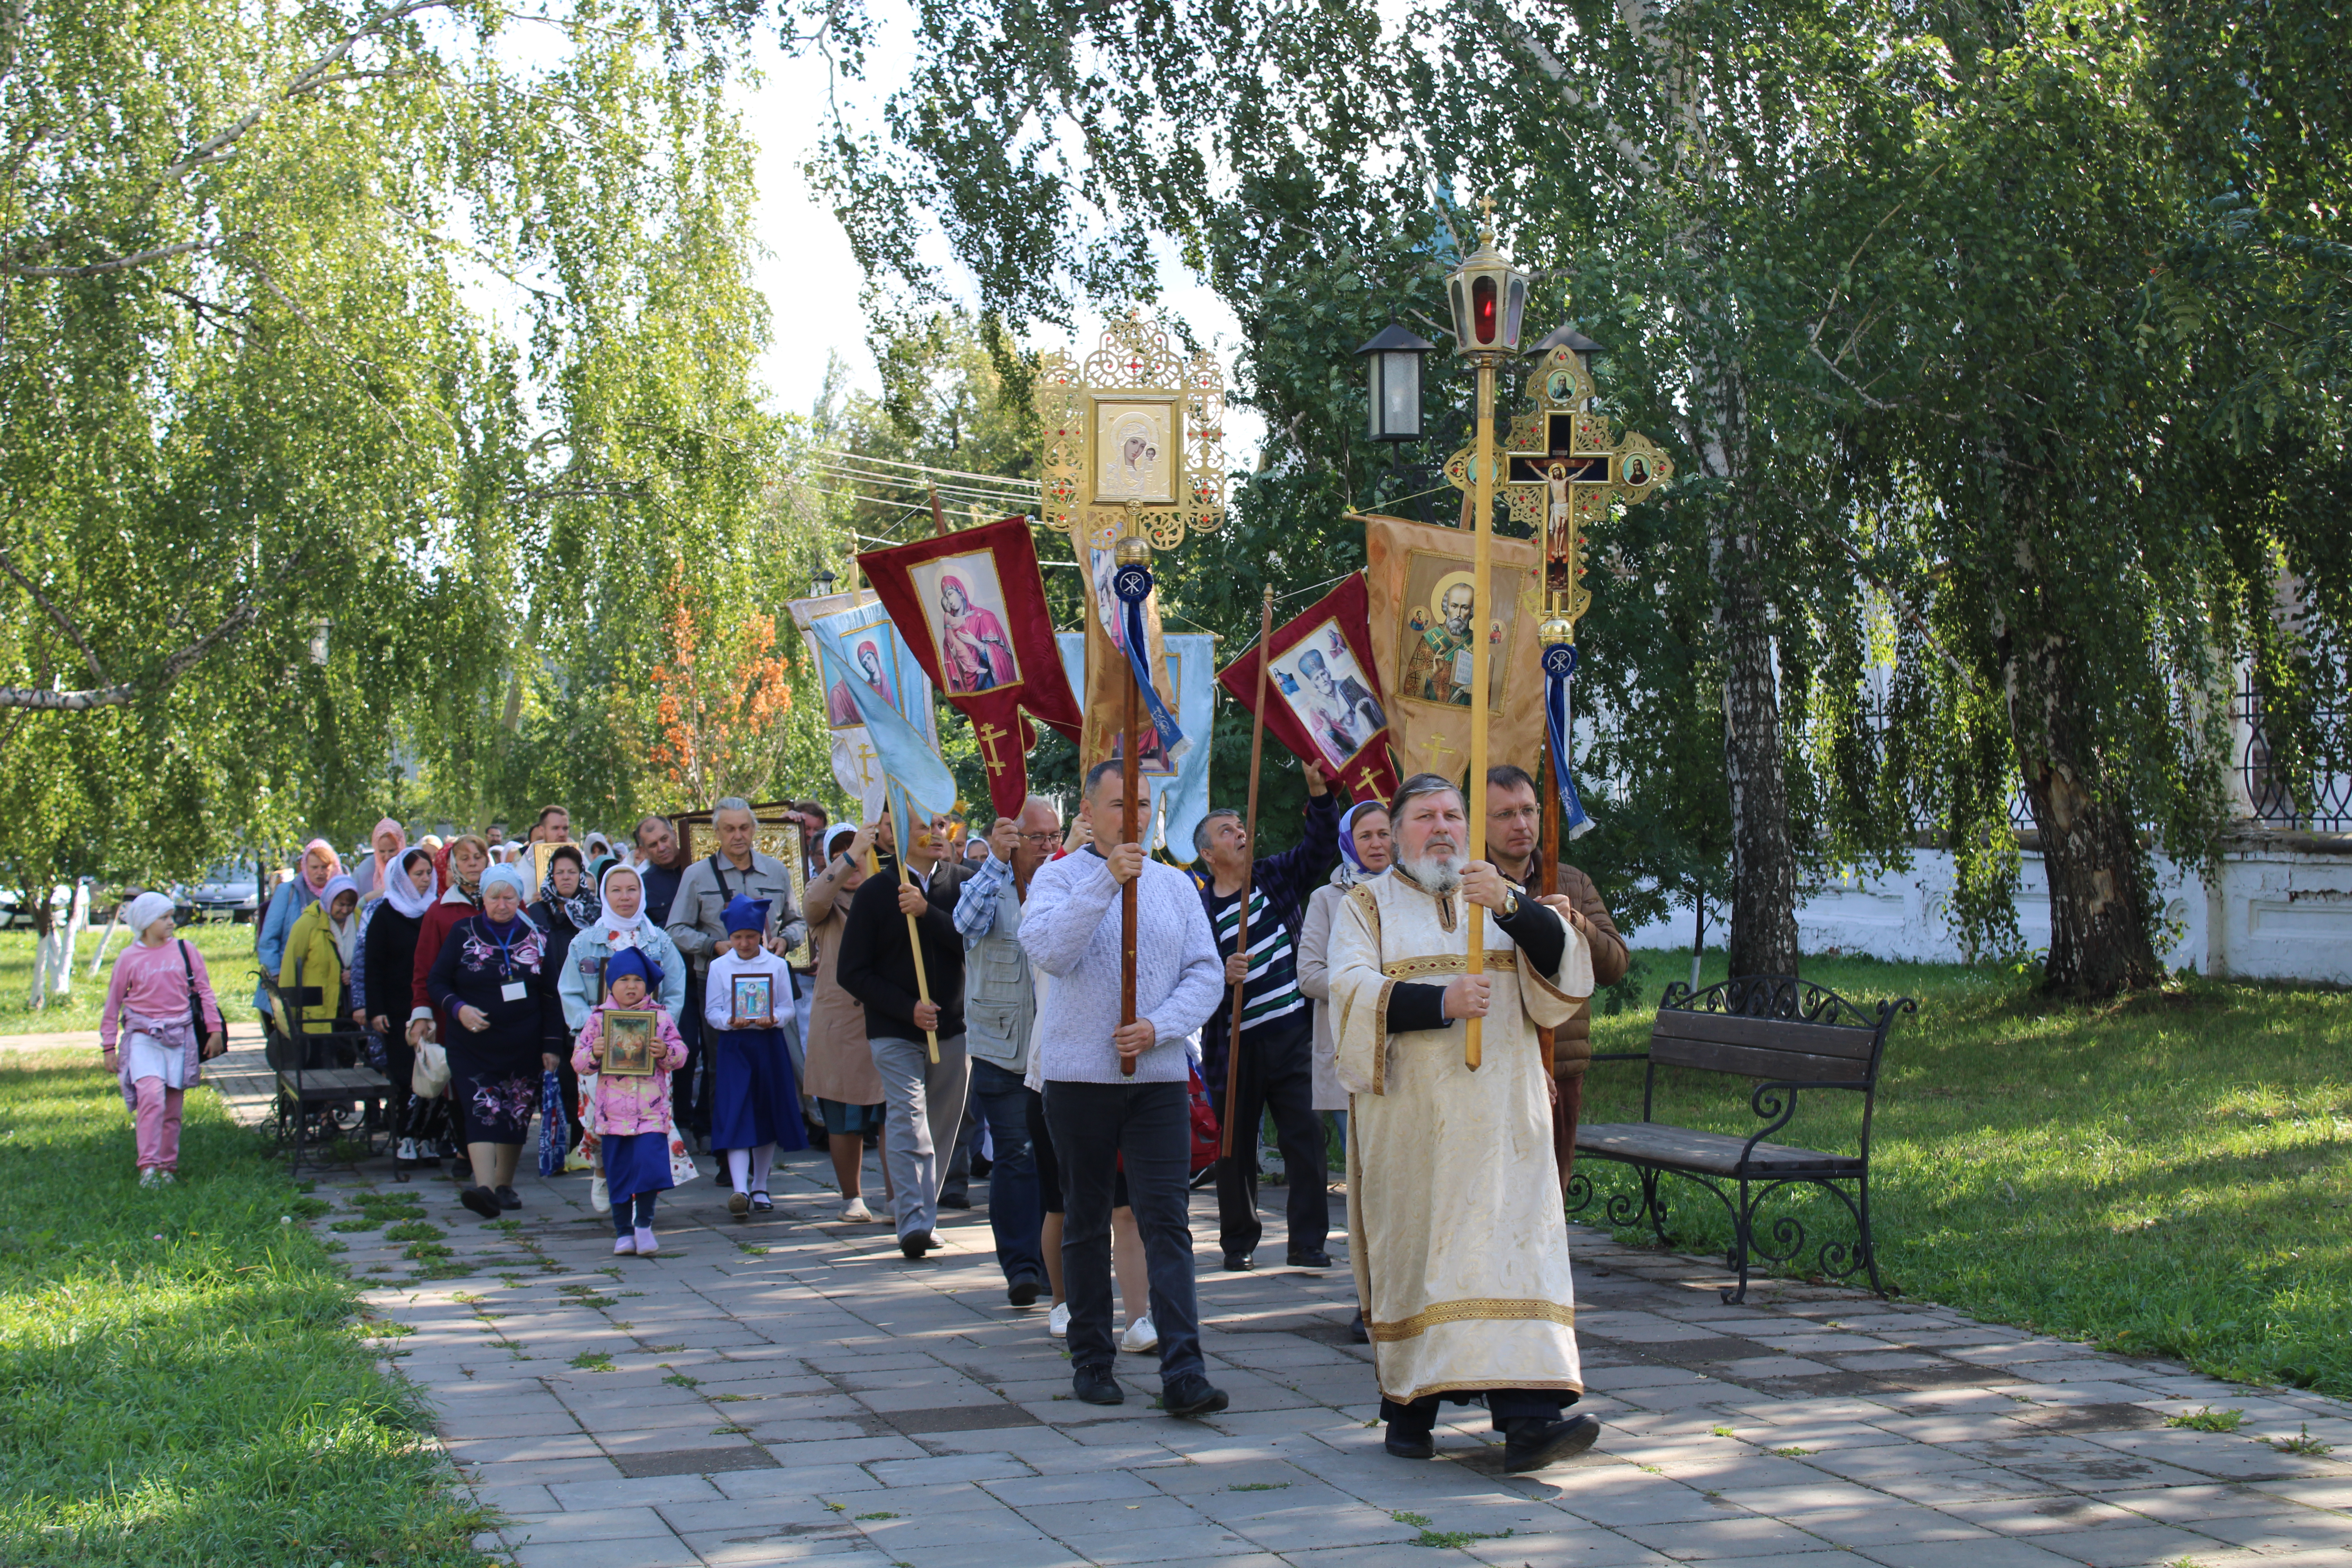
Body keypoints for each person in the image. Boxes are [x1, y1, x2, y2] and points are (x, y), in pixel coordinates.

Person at [1327, 773, 1599, 1472]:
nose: (1442, 827)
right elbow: (1349, 994)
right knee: (1423, 1262)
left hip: (1505, 1124)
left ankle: (1530, 1420)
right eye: (1425, 816)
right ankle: (1410, 1409)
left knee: (1512, 1260)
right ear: (1395, 832)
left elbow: (1566, 980)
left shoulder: (1498, 898)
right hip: (1415, 1129)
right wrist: (1441, 999)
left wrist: (1515, 907)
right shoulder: (1368, 906)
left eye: (1453, 814)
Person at [1020, 757, 1229, 1418]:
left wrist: (1159, 1025)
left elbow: (1206, 973)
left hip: (1159, 1077)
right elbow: (1052, 950)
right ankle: (1091, 1357)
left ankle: (1185, 1369)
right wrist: (1105, 880)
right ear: (1091, 809)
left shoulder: (1176, 886)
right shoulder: (1057, 879)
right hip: (1079, 1079)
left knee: (1167, 1221)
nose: (1133, 815)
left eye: (1143, 803)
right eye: (1118, 804)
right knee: (1085, 1216)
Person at [1194, 760, 1341, 1271]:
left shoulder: (1275, 876)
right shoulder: (1199, 912)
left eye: (1240, 826)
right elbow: (1186, 981)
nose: (1240, 833)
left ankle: (1308, 1243)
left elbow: (1321, 847)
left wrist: (1319, 792)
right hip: (1233, 1047)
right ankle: (1238, 1243)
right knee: (1233, 1148)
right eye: (1227, 832)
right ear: (1208, 855)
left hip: (1292, 1035)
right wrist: (1221, 976)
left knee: (1304, 1138)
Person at [1485, 764, 1631, 1184]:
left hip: (1560, 1062)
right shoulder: (1469, 887)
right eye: (1506, 814)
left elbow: (1616, 966)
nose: (1522, 824)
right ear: (1482, 822)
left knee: (1552, 1194)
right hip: (1493, 1066)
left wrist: (1579, 925)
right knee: (1494, 1198)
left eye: (1529, 811)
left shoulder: (1570, 881)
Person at [836, 807, 970, 1258]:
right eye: (924, 827)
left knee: (942, 1126)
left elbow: (974, 940)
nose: (936, 834)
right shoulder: (877, 890)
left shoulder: (960, 882)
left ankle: (925, 1209)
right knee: (909, 1121)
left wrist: (926, 911)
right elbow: (852, 971)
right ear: (896, 837)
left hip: (952, 1029)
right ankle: (913, 1220)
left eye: (940, 826)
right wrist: (906, 1008)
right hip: (895, 1031)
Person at [949, 802, 1058, 1306]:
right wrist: (994, 859)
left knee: (1057, 1160)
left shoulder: (1069, 881)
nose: (1046, 846)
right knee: (1016, 1156)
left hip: (1058, 1049)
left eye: (1053, 836)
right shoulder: (987, 883)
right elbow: (964, 922)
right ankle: (1022, 1267)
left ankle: (1055, 1259)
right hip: (1003, 1047)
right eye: (1036, 836)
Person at [1296, 799, 1390, 1344]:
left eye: (1384, 833)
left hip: (1409, 1051)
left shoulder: (1413, 894)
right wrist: (1366, 978)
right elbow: (1309, 975)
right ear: (1349, 841)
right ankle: (1368, 1302)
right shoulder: (1329, 900)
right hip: (1352, 1056)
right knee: (1364, 1184)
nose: (1377, 844)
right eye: (1367, 835)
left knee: (1400, 1182)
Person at [665, 797, 807, 1146]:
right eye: (729, 829)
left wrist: (785, 943)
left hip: (767, 982)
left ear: (755, 830)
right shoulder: (697, 875)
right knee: (722, 1066)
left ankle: (764, 1141)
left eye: (744, 828)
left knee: (770, 1064)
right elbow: (675, 930)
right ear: (716, 833)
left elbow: (798, 921)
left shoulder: (776, 871)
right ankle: (726, 1147)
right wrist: (713, 947)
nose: (738, 836)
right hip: (717, 983)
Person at [428, 862, 564, 1219]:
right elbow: (437, 982)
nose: (502, 904)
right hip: (472, 1043)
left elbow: (552, 995)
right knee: (480, 1108)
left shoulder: (538, 937)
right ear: (482, 899)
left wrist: (552, 1046)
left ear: (520, 899)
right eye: (494, 897)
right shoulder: (462, 933)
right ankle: (484, 1188)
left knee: (516, 1112)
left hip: (524, 1043)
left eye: (510, 897)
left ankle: (504, 1186)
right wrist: (458, 1010)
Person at [100, 891, 226, 1185]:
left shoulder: (185, 950)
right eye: (165, 918)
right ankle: (148, 1166)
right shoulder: (129, 958)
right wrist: (108, 1047)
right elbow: (113, 1003)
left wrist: (215, 1030)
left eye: (172, 917)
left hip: (179, 1037)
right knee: (151, 1096)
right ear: (146, 922)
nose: (172, 923)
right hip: (144, 1037)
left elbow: (204, 992)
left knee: (172, 1105)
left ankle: (168, 1166)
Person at [572, 947, 689, 1256]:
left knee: (651, 1169)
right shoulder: (598, 1021)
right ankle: (623, 1232)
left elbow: (681, 1055)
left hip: (652, 1114)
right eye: (623, 979)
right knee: (619, 1173)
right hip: (612, 1117)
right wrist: (595, 1052)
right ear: (610, 985)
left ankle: (644, 1226)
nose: (632, 986)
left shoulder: (660, 1019)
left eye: (638, 979)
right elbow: (579, 1062)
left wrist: (665, 1053)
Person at [802, 820, 889, 1222]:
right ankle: (851, 1196)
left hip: (887, 1014)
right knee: (842, 1115)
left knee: (894, 1111)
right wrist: (851, 854)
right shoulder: (825, 903)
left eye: (859, 853)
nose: (853, 864)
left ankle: (897, 1196)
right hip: (838, 1022)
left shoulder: (888, 889)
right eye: (841, 853)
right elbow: (812, 904)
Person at [702, 893, 807, 1215]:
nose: (745, 943)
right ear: (728, 938)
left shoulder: (776, 966)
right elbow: (713, 1011)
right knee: (737, 1113)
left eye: (751, 936)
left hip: (768, 1046)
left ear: (761, 935)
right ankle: (739, 1189)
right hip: (735, 1048)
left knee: (766, 1112)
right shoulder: (720, 967)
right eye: (738, 938)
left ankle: (760, 1185)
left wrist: (774, 1018)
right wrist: (729, 1021)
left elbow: (788, 1007)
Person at [357, 847, 448, 1169]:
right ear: (402, 877)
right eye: (418, 874)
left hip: (432, 1006)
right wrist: (375, 1009)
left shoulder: (435, 911)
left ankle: (429, 1138)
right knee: (407, 1075)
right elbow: (373, 965)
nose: (425, 880)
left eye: (428, 874)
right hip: (397, 1011)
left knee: (437, 1072)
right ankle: (405, 1137)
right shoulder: (386, 912)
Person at [529, 844, 597, 1157]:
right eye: (560, 873)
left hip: (587, 999)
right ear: (551, 876)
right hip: (549, 1000)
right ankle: (557, 1142)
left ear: (581, 875)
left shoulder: (594, 911)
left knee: (584, 1072)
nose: (566, 878)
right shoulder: (538, 913)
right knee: (559, 1074)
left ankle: (583, 1141)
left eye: (572, 872)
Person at [254, 838, 341, 1016]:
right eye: (314, 868)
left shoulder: (342, 894)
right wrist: (278, 975)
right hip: (293, 980)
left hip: (332, 983)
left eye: (325, 867)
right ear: (304, 867)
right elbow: (268, 939)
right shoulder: (288, 892)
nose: (320, 873)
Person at [279, 873, 361, 1051]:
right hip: (315, 1013)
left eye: (350, 905)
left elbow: (367, 956)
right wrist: (287, 1017)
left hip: (348, 1009)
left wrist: (355, 973)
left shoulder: (359, 919)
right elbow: (290, 968)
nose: (345, 910)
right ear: (329, 899)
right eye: (341, 905)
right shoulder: (307, 923)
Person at [352, 817, 408, 901]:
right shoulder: (362, 874)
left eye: (392, 851)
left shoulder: (412, 867)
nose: (387, 857)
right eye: (382, 852)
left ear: (401, 847)